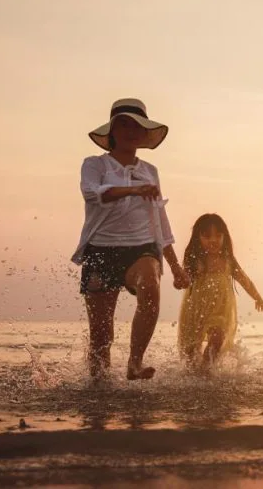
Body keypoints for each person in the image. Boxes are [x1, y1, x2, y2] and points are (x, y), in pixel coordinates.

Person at [71, 98, 190, 381]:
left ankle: (135, 363)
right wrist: (134, 191)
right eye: (123, 124)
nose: (131, 130)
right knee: (101, 335)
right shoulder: (94, 164)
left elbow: (161, 221)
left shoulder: (150, 171)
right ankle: (98, 390)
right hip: (100, 249)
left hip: (142, 247)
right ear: (111, 131)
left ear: (145, 133)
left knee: (150, 284)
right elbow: (94, 193)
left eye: (138, 125)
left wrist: (174, 266)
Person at [177, 213, 263, 370]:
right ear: (198, 238)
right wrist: (179, 281)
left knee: (217, 338)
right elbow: (183, 279)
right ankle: (193, 375)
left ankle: (206, 369)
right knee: (191, 350)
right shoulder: (195, 259)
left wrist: (257, 297)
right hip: (196, 309)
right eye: (207, 236)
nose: (213, 240)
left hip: (220, 311)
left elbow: (244, 280)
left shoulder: (227, 260)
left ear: (225, 237)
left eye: (218, 236)